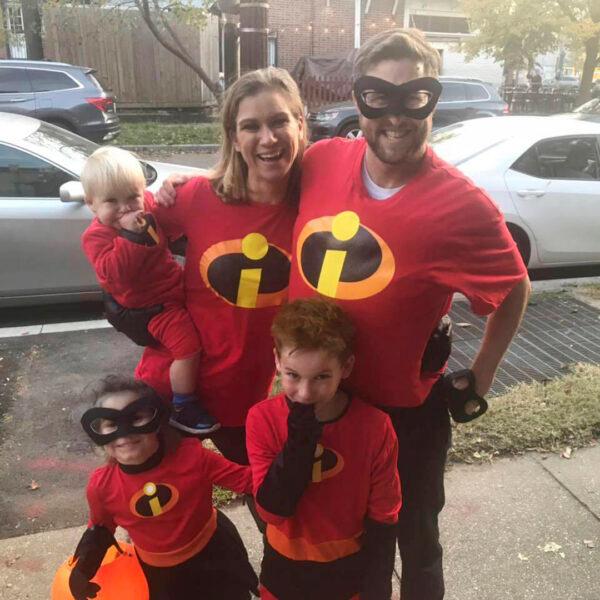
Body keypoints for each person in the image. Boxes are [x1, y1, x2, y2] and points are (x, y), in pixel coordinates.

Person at [287, 29, 531, 599]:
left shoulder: (461, 206)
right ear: (358, 100)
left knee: (415, 538)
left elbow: (514, 287)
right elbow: (256, 187)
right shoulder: (322, 161)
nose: (394, 117)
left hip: (404, 418)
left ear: (434, 100)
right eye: (379, 97)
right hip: (317, 404)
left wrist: (483, 375)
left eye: (413, 97)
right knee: (341, 538)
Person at [132, 67, 306, 464]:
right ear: (233, 137)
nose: (268, 138)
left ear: (300, 123)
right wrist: (127, 304)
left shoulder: (315, 204)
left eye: (279, 121)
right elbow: (116, 225)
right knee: (157, 507)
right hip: (172, 389)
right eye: (251, 126)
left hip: (245, 398)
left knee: (274, 509)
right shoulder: (195, 197)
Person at [246, 298, 401, 600]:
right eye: (292, 375)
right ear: (277, 360)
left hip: (347, 568)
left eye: (321, 377)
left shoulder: (375, 426)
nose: (304, 394)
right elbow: (271, 510)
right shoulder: (262, 419)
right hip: (283, 566)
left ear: (346, 367)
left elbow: (385, 513)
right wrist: (300, 440)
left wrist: (377, 585)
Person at [69, 375, 258, 600]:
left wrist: (290, 473)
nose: (125, 432)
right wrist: (84, 568)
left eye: (136, 418)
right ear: (98, 434)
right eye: (111, 423)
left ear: (157, 421)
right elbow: (100, 528)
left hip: (215, 554)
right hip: (160, 574)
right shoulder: (102, 486)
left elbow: (249, 481)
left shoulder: (192, 456)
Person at [80, 147, 219, 435]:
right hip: (154, 307)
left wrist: (176, 184)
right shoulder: (97, 236)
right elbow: (113, 275)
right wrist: (131, 236)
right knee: (188, 349)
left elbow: (170, 206)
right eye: (111, 201)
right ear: (92, 204)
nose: (126, 208)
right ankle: (183, 405)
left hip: (174, 286)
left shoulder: (147, 207)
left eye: (133, 196)